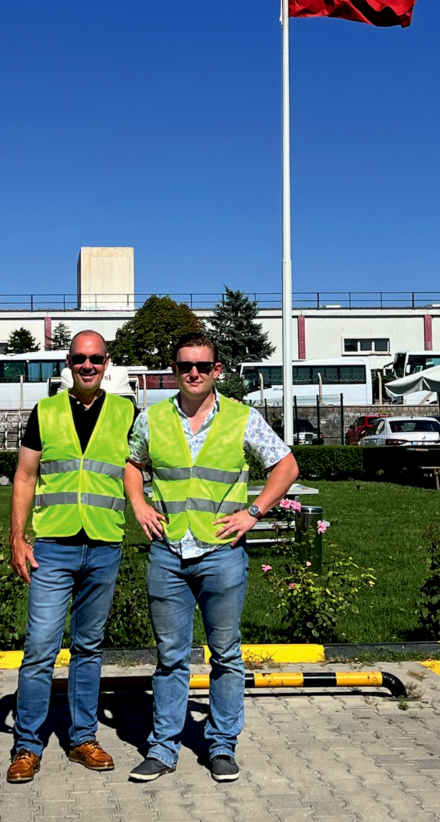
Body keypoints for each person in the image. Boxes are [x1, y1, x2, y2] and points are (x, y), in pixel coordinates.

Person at [125, 332, 298, 783]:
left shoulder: (243, 417)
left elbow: (286, 465)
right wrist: (139, 504)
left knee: (225, 654)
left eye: (203, 366)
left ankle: (221, 746)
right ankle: (163, 749)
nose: (194, 373)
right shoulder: (152, 418)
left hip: (221, 554)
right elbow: (132, 462)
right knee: (170, 657)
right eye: (185, 366)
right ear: (175, 370)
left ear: (217, 370)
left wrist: (254, 512)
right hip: (168, 553)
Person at [7, 329, 134, 783]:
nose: (87, 366)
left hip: (103, 543)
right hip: (54, 547)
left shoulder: (126, 412)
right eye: (79, 358)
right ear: (68, 362)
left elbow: (141, 471)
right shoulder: (45, 412)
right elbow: (24, 477)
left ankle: (82, 738)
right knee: (40, 647)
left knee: (88, 647)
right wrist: (17, 538)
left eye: (95, 359)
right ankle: (26, 746)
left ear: (106, 363)